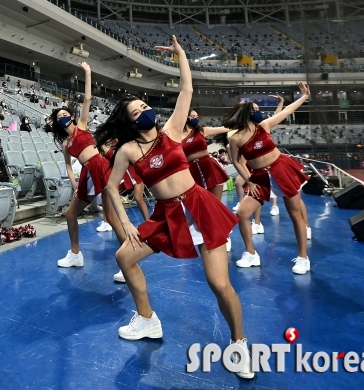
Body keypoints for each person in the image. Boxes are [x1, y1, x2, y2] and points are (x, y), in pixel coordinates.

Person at [94, 36, 253, 380]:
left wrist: (181, 54)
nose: (143, 113)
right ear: (128, 122)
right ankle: (148, 319)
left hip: (199, 206)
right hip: (167, 215)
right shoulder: (127, 151)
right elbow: (109, 186)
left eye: (143, 107)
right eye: (135, 112)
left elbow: (186, 91)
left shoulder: (172, 130)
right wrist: (127, 223)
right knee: (125, 256)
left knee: (219, 284)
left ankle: (239, 342)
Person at [222, 87, 313, 274]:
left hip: (282, 169)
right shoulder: (235, 139)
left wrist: (304, 96)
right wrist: (249, 180)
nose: (258, 112)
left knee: (295, 214)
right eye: (254, 110)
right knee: (242, 213)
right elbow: (236, 161)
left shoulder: (264, 126)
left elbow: (288, 110)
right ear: (245, 114)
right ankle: (251, 253)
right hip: (259, 177)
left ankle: (303, 257)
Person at [51, 62, 125, 278]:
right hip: (86, 173)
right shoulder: (66, 143)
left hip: (99, 166)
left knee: (111, 218)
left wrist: (88, 73)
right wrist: (74, 183)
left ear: (72, 117)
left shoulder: (82, 124)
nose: (62, 116)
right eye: (58, 117)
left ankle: (126, 261)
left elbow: (88, 99)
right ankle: (75, 254)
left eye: (65, 113)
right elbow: (67, 165)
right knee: (70, 213)